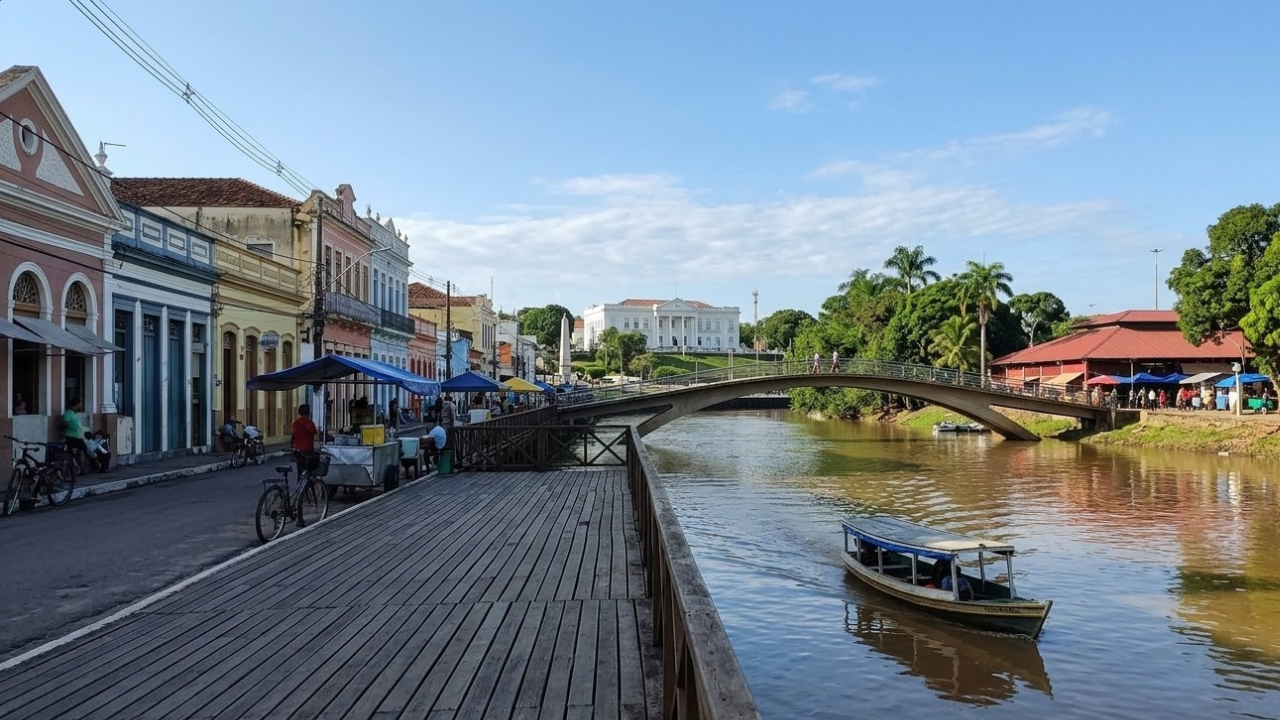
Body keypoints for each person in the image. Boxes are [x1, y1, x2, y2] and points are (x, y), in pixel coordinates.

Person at [62, 398, 89, 477]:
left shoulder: (73, 413)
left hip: (77, 436)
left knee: (83, 450)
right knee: (76, 451)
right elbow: (64, 423)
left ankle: (81, 468)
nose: (80, 406)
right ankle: (78, 468)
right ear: (75, 405)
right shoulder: (68, 413)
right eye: (79, 405)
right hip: (71, 436)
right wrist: (65, 430)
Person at [290, 403, 318, 478]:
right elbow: (314, 433)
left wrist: (292, 448)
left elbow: (293, 435)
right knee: (311, 470)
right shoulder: (309, 422)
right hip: (308, 450)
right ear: (308, 412)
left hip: (298, 450)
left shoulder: (296, 423)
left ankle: (300, 483)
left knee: (300, 471)